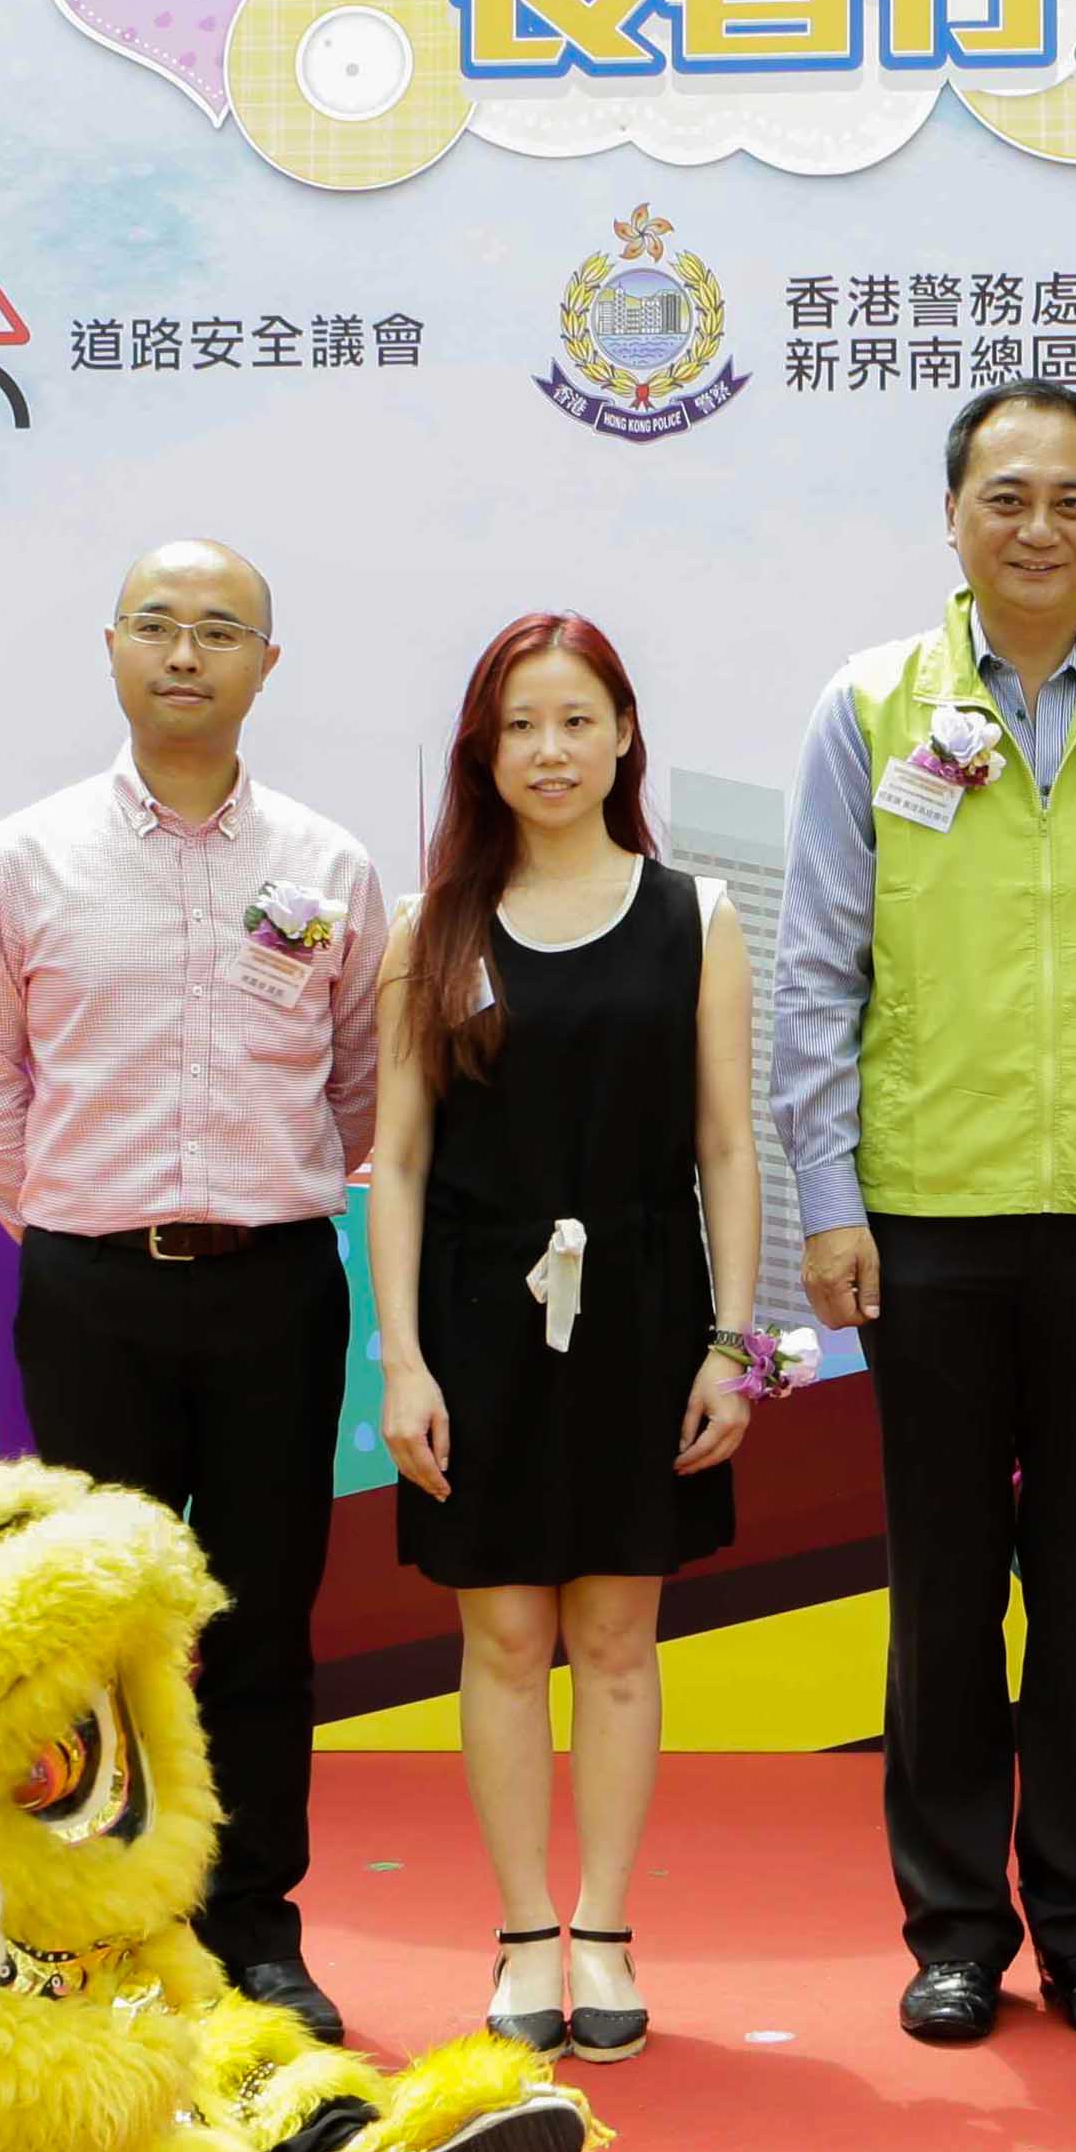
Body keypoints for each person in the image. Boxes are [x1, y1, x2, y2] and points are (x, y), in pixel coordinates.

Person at [776, 383, 1076, 2048]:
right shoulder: (869, 704)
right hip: (926, 1217)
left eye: (1069, 499)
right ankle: (954, 1930)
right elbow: (815, 970)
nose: (1036, 526)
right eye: (1005, 496)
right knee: (944, 1586)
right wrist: (829, 1201)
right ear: (954, 517)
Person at [0, 538, 381, 2041]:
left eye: (221, 631)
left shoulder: (327, 867)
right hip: (89, 1295)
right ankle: (87, 1920)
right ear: (113, 649)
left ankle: (255, 1926)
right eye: (158, 627)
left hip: (276, 1290)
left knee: (260, 1621)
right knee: (85, 1623)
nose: (186, 655)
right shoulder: (22, 861)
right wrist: (66, 1226)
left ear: (270, 663)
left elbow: (366, 1090)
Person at [369, 614, 759, 2070]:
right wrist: (402, 1360)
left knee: (613, 1634)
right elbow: (397, 1162)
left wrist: (731, 1343)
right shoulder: (435, 929)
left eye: (576, 719)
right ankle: (523, 1926)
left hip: (647, 1307)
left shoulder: (695, 915)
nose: (551, 750)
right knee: (504, 1631)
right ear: (487, 749)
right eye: (522, 725)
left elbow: (725, 1142)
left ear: (623, 735)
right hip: (478, 1317)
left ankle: (605, 1924)